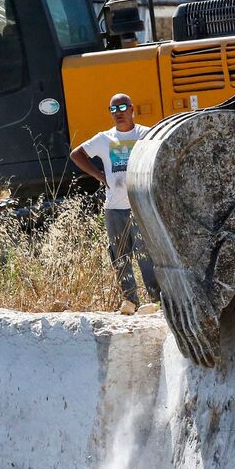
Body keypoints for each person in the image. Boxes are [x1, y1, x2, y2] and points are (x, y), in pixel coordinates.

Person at [70, 93, 160, 315]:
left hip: (141, 206)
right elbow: (76, 154)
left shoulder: (146, 134)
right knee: (120, 257)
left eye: (122, 107)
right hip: (114, 208)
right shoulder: (104, 139)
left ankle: (156, 301)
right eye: (113, 109)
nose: (118, 112)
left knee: (145, 254)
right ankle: (130, 302)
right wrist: (99, 176)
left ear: (132, 109)